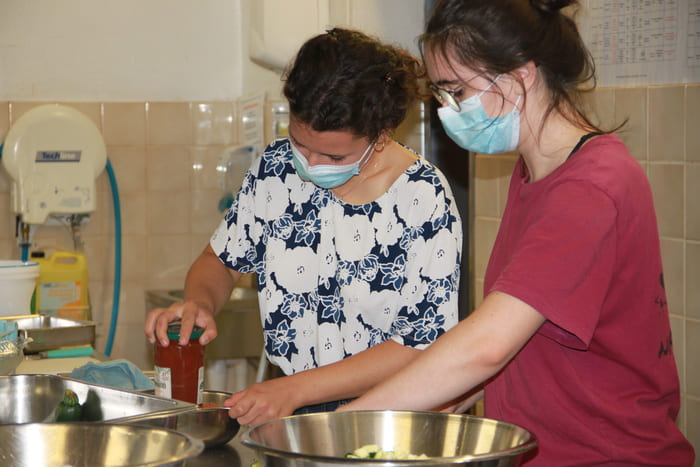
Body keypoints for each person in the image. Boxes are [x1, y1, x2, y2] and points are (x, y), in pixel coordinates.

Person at [339, 1, 696, 466]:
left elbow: (487, 347)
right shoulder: (535, 173)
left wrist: (346, 427)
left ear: (521, 76)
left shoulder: (590, 187)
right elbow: (516, 343)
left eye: (456, 91)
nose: (448, 110)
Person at [144, 28, 463, 427]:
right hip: (288, 407)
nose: (310, 164)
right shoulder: (276, 170)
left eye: (333, 154)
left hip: (382, 414)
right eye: (300, 142)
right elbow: (221, 261)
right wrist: (200, 304)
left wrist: (296, 391)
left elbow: (421, 345)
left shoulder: (422, 196)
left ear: (380, 133)